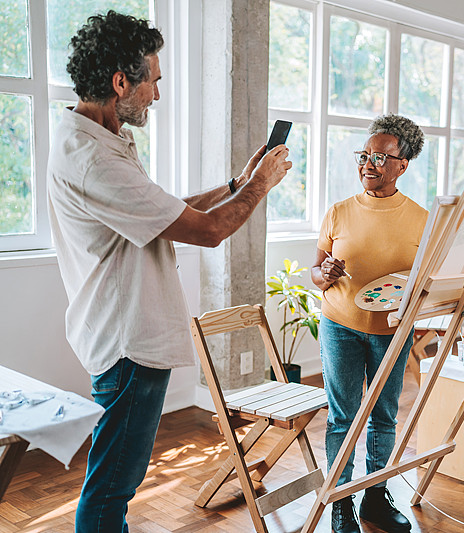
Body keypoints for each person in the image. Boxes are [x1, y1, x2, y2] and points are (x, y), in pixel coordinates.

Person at [47, 12, 291, 532]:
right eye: (153, 81)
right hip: (128, 343)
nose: (157, 94)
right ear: (121, 82)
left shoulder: (103, 139)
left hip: (125, 335)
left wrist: (236, 183)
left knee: (115, 479)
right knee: (112, 486)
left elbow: (165, 213)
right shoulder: (94, 159)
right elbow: (209, 231)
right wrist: (262, 185)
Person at [311, 114, 427, 533]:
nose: (368, 164)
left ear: (402, 164)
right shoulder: (339, 212)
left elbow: (425, 281)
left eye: (379, 157)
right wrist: (324, 274)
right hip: (340, 325)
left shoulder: (422, 219)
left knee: (383, 416)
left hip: (391, 332)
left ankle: (375, 497)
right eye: (364, 155)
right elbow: (315, 270)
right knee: (342, 417)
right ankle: (340, 502)